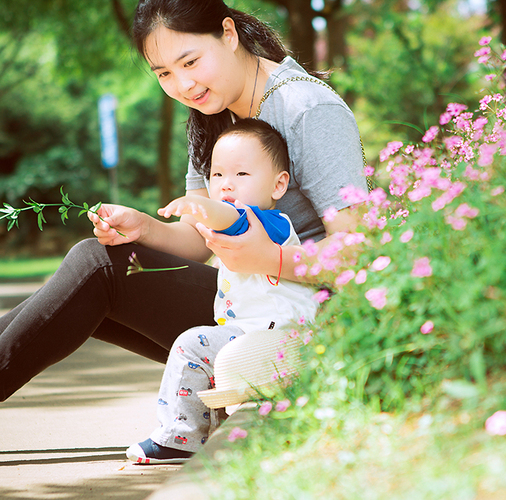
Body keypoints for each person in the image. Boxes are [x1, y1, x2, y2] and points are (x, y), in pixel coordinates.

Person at [0, 0, 367, 453]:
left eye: (190, 61)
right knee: (98, 267)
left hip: (302, 317)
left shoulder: (306, 107)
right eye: (164, 73)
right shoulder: (214, 115)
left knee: (97, 266)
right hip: (243, 306)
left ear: (228, 34)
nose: (183, 84)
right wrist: (144, 229)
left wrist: (265, 257)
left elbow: (354, 255)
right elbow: (197, 239)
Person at [126, 118, 317, 464]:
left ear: (278, 185)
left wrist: (196, 207)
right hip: (251, 331)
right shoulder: (230, 223)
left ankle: (179, 436)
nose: (227, 184)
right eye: (216, 175)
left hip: (283, 333)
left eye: (241, 175)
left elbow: (232, 217)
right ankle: (204, 424)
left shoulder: (271, 223)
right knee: (206, 349)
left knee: (191, 344)